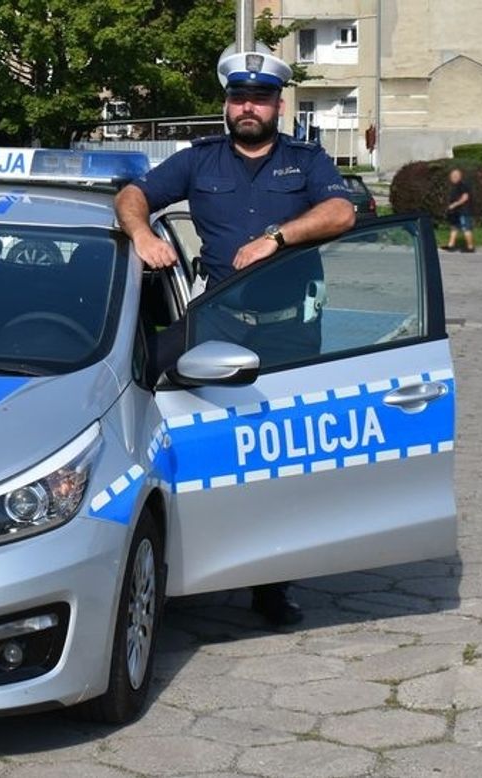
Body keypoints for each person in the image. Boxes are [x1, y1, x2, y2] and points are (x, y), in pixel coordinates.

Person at [114, 48, 355, 627]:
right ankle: (149, 537)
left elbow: (342, 212)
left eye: (260, 99)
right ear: (227, 104)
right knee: (142, 387)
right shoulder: (199, 161)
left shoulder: (305, 161)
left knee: (284, 457)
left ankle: (272, 583)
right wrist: (142, 234)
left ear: (278, 106)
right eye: (239, 98)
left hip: (290, 333)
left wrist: (277, 237)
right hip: (218, 320)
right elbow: (132, 195)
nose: (249, 108)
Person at [444, 168, 475, 252]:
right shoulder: (455, 186)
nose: (452, 178)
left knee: (466, 228)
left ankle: (470, 247)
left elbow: (465, 198)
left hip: (464, 211)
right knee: (454, 228)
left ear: (459, 176)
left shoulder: (463, 185)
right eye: (452, 176)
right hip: (457, 212)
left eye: (455, 176)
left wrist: (454, 205)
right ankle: (450, 246)